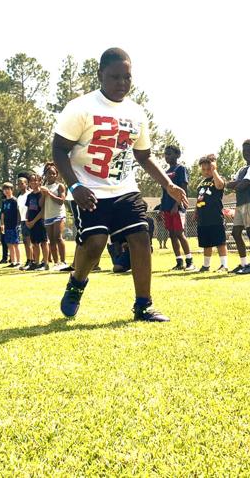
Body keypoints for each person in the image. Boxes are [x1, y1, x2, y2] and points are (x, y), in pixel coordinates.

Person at [52, 47, 188, 322]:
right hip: (89, 189)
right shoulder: (81, 107)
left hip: (125, 189)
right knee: (95, 244)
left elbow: (144, 156)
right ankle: (77, 282)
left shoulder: (136, 112)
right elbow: (58, 150)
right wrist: (76, 187)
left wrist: (168, 186)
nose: (122, 84)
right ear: (100, 74)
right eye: (115, 77)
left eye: (127, 77)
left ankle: (143, 305)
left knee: (140, 237)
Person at [226, 139, 250, 275]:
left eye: (249, 150)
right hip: (240, 203)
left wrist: (234, 185)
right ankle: (243, 264)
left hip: (249, 202)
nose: (246, 153)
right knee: (235, 233)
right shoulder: (242, 169)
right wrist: (229, 184)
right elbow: (234, 183)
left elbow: (245, 183)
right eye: (244, 150)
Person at [160, 144, 194, 270]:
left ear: (177, 155)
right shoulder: (165, 172)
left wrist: (177, 204)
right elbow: (164, 192)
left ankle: (190, 261)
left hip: (177, 207)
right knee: (172, 234)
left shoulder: (181, 169)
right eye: (165, 154)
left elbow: (183, 188)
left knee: (180, 233)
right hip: (167, 208)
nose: (166, 156)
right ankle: (179, 262)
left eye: (169, 154)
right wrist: (161, 209)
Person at [194, 154, 229, 272]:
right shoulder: (201, 183)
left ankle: (224, 265)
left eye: (208, 169)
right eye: (203, 169)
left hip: (215, 217)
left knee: (220, 242)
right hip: (203, 218)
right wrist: (196, 212)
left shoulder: (218, 179)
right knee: (206, 243)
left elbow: (219, 186)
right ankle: (206, 265)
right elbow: (199, 198)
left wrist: (214, 171)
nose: (206, 171)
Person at [42, 162, 68, 270]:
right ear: (46, 175)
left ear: (56, 175)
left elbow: (61, 201)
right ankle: (56, 263)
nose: (51, 175)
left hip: (58, 214)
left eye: (53, 174)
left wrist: (49, 193)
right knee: (51, 240)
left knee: (58, 237)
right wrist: (43, 195)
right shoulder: (44, 187)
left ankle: (63, 261)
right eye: (49, 174)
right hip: (48, 215)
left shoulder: (59, 186)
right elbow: (40, 204)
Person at [22, 173, 49, 271]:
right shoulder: (29, 196)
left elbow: (43, 210)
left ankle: (45, 263)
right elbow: (29, 208)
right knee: (34, 243)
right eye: (31, 180)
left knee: (43, 242)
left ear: (40, 182)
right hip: (31, 222)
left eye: (35, 180)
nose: (33, 182)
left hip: (40, 221)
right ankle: (36, 263)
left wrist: (34, 221)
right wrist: (27, 220)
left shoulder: (42, 193)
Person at [0, 182, 21, 268]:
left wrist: (18, 224)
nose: (6, 191)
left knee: (15, 244)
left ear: (12, 190)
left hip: (14, 225)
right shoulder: (4, 202)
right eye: (5, 189)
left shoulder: (15, 201)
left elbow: (18, 212)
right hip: (7, 225)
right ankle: (13, 261)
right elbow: (2, 213)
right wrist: (2, 224)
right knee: (9, 244)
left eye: (8, 189)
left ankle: (18, 262)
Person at [16, 173, 33, 268]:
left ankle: (33, 260)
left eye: (22, 183)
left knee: (31, 241)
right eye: (18, 184)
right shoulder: (19, 197)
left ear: (26, 184)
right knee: (26, 241)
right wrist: (18, 222)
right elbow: (19, 210)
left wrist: (29, 219)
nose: (20, 185)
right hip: (22, 221)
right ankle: (28, 260)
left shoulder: (29, 194)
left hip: (30, 219)